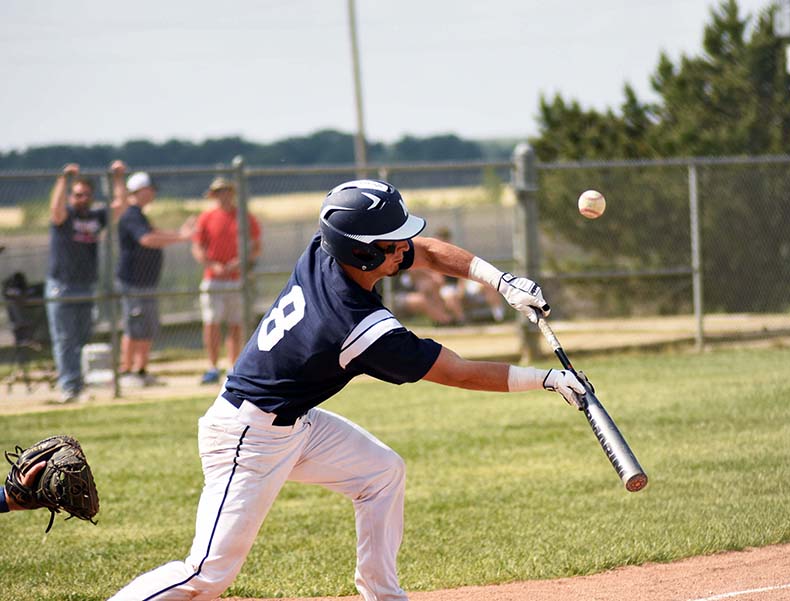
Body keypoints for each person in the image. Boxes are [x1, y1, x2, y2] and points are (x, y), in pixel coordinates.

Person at [108, 180, 587, 601]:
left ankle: (383, 595)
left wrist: (500, 280)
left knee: (381, 473)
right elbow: (457, 371)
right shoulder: (358, 327)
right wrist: (544, 379)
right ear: (363, 251)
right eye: (393, 242)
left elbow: (429, 252)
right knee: (207, 575)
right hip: (246, 438)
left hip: (293, 421)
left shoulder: (325, 249)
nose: (406, 248)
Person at [45, 161, 126, 403]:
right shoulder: (66, 217)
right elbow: (56, 209)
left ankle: (77, 385)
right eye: (78, 194)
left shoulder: (94, 216)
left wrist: (119, 178)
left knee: (80, 338)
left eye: (86, 195)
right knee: (66, 338)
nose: (82, 198)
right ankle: (69, 387)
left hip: (86, 285)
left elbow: (120, 206)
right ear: (72, 196)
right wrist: (63, 179)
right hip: (63, 285)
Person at [117, 171, 195, 388]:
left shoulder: (140, 215)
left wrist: (179, 233)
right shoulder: (131, 215)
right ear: (139, 191)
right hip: (133, 282)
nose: (152, 194)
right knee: (134, 326)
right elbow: (147, 239)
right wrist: (181, 237)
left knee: (147, 327)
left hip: (146, 283)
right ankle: (126, 371)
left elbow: (155, 232)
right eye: (149, 190)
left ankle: (141, 371)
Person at [191, 177, 262, 385]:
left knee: (236, 324)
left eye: (226, 191)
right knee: (212, 323)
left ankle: (234, 366)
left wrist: (239, 262)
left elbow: (256, 246)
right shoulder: (206, 218)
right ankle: (212, 366)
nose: (224, 195)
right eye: (219, 192)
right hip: (213, 279)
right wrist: (212, 265)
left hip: (236, 278)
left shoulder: (244, 217)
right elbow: (197, 246)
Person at [432, 226, 506, 324]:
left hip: (462, 283)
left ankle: (499, 318)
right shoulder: (432, 257)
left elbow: (464, 272)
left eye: (445, 239)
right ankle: (463, 322)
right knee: (451, 296)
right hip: (446, 287)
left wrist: (461, 287)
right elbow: (437, 280)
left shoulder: (454, 253)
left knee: (488, 286)